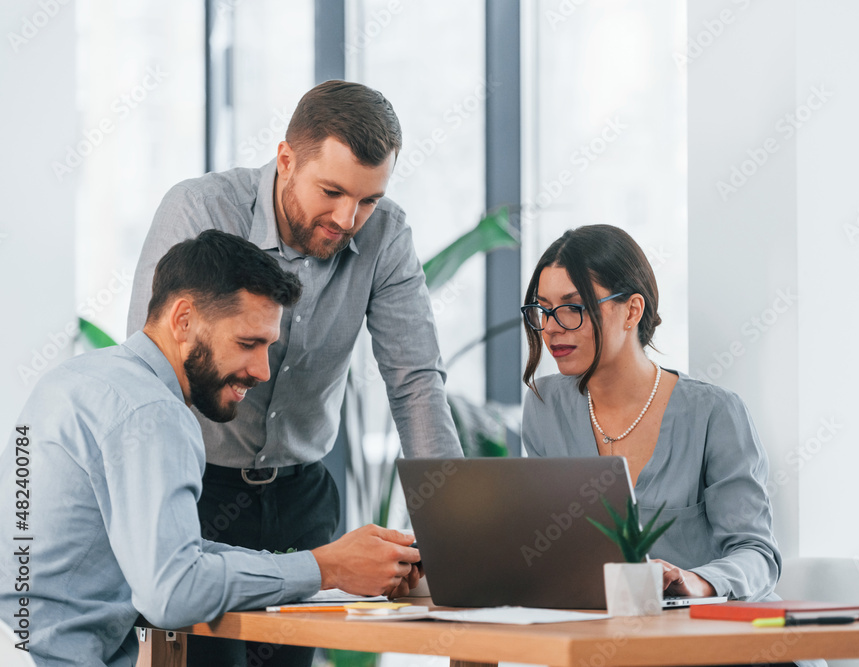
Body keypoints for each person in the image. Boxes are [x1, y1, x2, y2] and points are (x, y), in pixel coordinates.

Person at [125, 81, 461, 665]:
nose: (347, 218)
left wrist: (457, 533)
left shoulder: (386, 236)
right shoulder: (202, 211)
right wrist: (158, 514)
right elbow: (154, 372)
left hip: (303, 497)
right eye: (331, 192)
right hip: (198, 490)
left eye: (368, 200)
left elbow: (414, 381)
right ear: (286, 160)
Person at [0, 231, 421, 667]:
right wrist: (325, 567)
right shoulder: (152, 411)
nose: (261, 370)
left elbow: (178, 555)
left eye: (268, 347)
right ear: (183, 320)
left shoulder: (76, 380)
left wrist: (326, 567)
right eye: (247, 344)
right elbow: (175, 592)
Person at [519, 224, 781, 601]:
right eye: (542, 310)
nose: (551, 328)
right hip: (613, 640)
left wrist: (695, 581)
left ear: (632, 310)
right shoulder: (545, 406)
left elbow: (758, 555)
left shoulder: (714, 413)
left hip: (720, 641)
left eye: (572, 308)